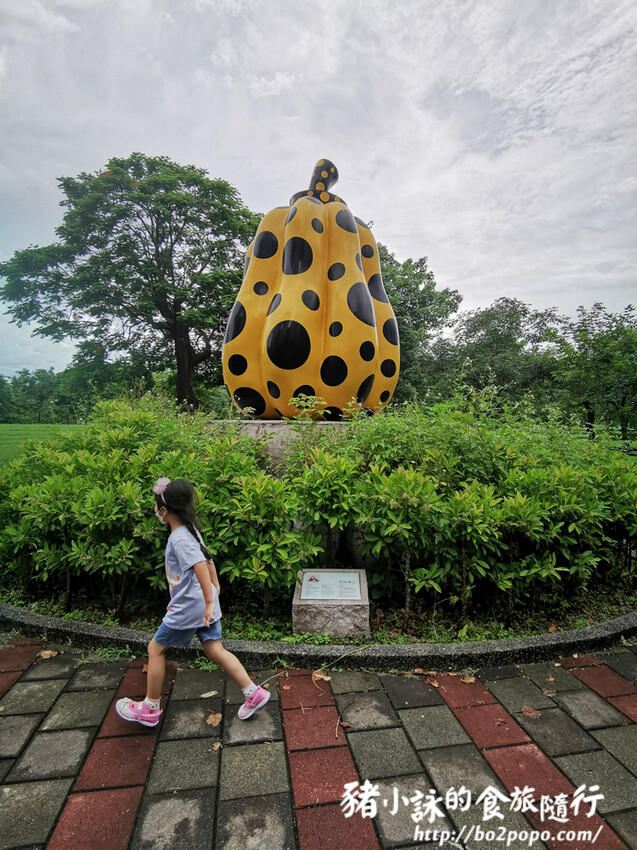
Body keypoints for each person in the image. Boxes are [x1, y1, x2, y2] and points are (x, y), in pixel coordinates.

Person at [115, 477, 270, 727]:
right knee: (214, 649)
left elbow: (199, 564)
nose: (155, 511)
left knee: (155, 649)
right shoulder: (190, 529)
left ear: (164, 511)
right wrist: (215, 587)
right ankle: (253, 693)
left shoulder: (178, 537)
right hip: (204, 602)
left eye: (156, 507)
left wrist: (209, 602)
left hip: (190, 606)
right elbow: (207, 557)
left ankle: (150, 708)